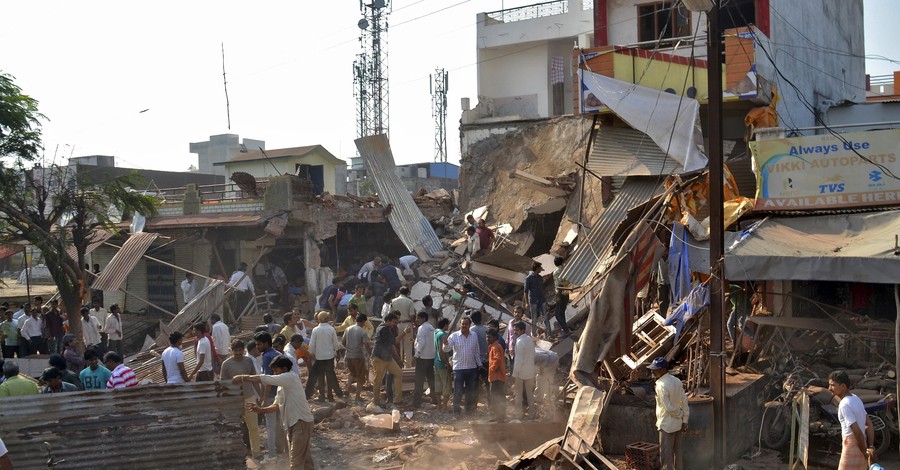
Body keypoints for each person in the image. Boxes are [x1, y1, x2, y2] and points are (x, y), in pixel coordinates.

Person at [234, 356, 316, 470]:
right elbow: (277, 405)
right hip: (294, 423)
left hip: (300, 422)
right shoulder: (282, 386)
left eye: (276, 370)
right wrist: (261, 410)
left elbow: (266, 379)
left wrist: (244, 377)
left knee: (296, 461)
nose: (274, 373)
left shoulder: (290, 377)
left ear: (284, 369)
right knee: (305, 459)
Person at [220, 339, 263, 463]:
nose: (238, 353)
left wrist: (259, 396)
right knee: (234, 428)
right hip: (234, 400)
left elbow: (254, 379)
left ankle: (256, 453)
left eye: (240, 350)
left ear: (243, 350)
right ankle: (238, 452)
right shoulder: (226, 364)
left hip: (249, 397)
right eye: (236, 351)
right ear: (232, 351)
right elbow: (223, 383)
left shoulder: (248, 361)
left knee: (253, 427)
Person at [647, 357, 689, 470]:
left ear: (662, 369)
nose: (652, 371)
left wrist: (680, 415)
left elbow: (668, 408)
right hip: (678, 424)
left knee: (666, 458)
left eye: (654, 369)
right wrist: (684, 419)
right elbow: (684, 401)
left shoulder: (661, 385)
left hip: (666, 425)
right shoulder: (676, 381)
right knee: (678, 455)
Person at [829, 370, 876, 469]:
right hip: (862, 442)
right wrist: (870, 446)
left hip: (852, 446)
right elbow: (869, 423)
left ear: (843, 386)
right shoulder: (856, 398)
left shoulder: (844, 404)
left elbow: (857, 431)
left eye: (833, 385)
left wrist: (864, 451)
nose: (829, 388)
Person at [442, 315, 482, 414]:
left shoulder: (474, 335)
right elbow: (446, 349)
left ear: (469, 325)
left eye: (466, 324)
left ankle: (468, 411)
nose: (464, 326)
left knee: (470, 391)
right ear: (460, 325)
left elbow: (476, 351)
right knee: (458, 391)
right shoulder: (454, 336)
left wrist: (479, 364)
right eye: (462, 324)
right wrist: (445, 344)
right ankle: (456, 411)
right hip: (458, 368)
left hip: (471, 367)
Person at [255, 332, 282, 462]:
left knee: (270, 427)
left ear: (266, 343)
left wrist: (264, 399)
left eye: (259, 344)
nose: (257, 346)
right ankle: (285, 449)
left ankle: (272, 455)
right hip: (282, 394)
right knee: (282, 424)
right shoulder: (278, 354)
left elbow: (268, 380)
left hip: (271, 396)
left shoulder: (266, 357)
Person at [371, 313, 408, 406]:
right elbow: (394, 341)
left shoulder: (386, 328)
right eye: (393, 322)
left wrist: (397, 358)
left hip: (387, 357)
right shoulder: (383, 329)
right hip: (379, 357)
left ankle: (397, 399)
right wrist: (405, 332)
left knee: (398, 373)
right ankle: (376, 401)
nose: (394, 324)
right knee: (378, 380)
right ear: (387, 320)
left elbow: (391, 345)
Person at [306, 312, 343, 401]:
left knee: (320, 376)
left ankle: (321, 395)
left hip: (319, 357)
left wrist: (311, 354)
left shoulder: (315, 330)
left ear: (319, 319)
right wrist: (337, 353)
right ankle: (330, 395)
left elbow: (311, 345)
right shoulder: (331, 329)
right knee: (330, 376)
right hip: (330, 357)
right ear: (327, 318)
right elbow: (335, 343)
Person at [343, 313, 372, 401]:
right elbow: (366, 344)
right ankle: (357, 396)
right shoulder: (363, 332)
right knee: (360, 376)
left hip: (348, 355)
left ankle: (347, 389)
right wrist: (371, 353)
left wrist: (349, 348)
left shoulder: (348, 329)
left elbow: (343, 342)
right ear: (363, 321)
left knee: (352, 373)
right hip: (358, 356)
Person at [511, 322, 536, 418]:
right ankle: (532, 413)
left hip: (520, 372)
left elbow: (519, 360)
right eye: (514, 330)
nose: (514, 332)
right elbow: (533, 355)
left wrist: (515, 373)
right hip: (529, 371)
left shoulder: (520, 342)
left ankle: (518, 413)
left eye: (516, 330)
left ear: (522, 330)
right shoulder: (529, 340)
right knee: (530, 394)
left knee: (518, 393)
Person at [412, 311, 436, 408]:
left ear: (423, 318)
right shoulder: (431, 327)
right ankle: (435, 399)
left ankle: (416, 402)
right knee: (431, 379)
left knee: (419, 380)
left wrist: (416, 355)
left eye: (418, 318)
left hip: (422, 358)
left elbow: (421, 342)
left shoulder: (421, 328)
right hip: (431, 357)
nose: (417, 320)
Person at [391, 286, 416, 367]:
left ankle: (399, 365)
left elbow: (390, 314)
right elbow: (412, 315)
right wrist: (414, 323)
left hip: (396, 325)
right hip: (407, 324)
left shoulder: (393, 301)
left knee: (398, 345)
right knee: (408, 346)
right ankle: (407, 366)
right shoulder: (409, 301)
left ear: (399, 292)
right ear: (407, 293)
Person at [486, 328, 507, 421]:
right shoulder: (495, 346)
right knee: (499, 396)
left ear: (494, 337)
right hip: (498, 376)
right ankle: (500, 416)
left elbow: (497, 359)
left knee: (495, 397)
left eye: (489, 337)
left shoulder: (495, 347)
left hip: (496, 376)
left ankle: (499, 416)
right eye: (486, 337)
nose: (487, 339)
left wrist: (491, 368)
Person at [524, 262, 550, 333]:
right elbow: (525, 291)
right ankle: (534, 333)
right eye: (540, 268)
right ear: (537, 268)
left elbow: (542, 289)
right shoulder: (528, 279)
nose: (541, 269)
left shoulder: (540, 278)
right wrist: (526, 303)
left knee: (545, 317)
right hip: (533, 301)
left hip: (542, 300)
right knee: (534, 318)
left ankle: (549, 332)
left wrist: (545, 300)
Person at [433, 318, 452, 411]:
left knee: (438, 384)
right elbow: (442, 351)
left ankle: (439, 405)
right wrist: (447, 363)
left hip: (436, 362)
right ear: (445, 325)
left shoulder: (435, 333)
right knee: (446, 384)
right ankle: (444, 406)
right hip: (442, 362)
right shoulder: (443, 335)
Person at [552, 256, 572, 336]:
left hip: (561, 294)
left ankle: (566, 331)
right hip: (566, 293)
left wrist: (558, 296)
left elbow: (559, 285)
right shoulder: (566, 269)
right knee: (562, 313)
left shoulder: (556, 272)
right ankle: (565, 330)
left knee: (557, 314)